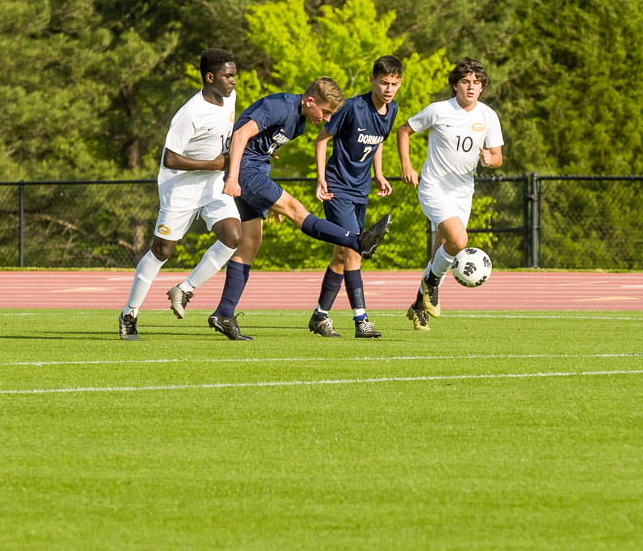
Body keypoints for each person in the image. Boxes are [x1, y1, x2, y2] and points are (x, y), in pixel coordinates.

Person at [209, 77, 393, 340]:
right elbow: (240, 135)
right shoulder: (280, 106)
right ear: (309, 101)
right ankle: (356, 241)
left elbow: (264, 148)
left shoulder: (299, 124)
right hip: (244, 171)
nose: (327, 119)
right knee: (295, 208)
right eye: (326, 112)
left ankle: (224, 314)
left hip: (255, 171)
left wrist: (268, 197)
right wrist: (233, 177)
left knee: (251, 242)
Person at [118, 49, 242, 341]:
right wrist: (214, 163)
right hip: (180, 189)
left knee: (233, 236)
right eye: (227, 76)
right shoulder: (190, 113)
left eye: (235, 75)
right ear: (210, 77)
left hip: (213, 185)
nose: (233, 81)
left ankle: (184, 289)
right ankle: (129, 313)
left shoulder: (230, 99)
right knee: (162, 251)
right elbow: (170, 159)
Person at [396, 58, 504, 331]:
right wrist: (407, 165)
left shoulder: (488, 116)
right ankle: (430, 287)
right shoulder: (438, 110)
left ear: (482, 88)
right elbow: (404, 131)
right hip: (434, 187)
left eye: (476, 83)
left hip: (463, 192)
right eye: (465, 81)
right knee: (458, 240)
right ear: (455, 85)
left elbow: (498, 156)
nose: (471, 87)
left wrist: (488, 160)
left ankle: (419, 305)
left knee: (441, 253)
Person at [308, 56, 402, 339]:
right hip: (337, 189)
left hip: (361, 191)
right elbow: (322, 139)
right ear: (372, 80)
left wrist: (380, 174)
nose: (388, 89)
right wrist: (321, 178)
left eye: (394, 84)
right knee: (353, 251)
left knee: (340, 255)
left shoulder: (392, 109)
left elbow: (379, 142)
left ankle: (319, 316)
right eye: (384, 82)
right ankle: (362, 320)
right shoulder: (352, 107)